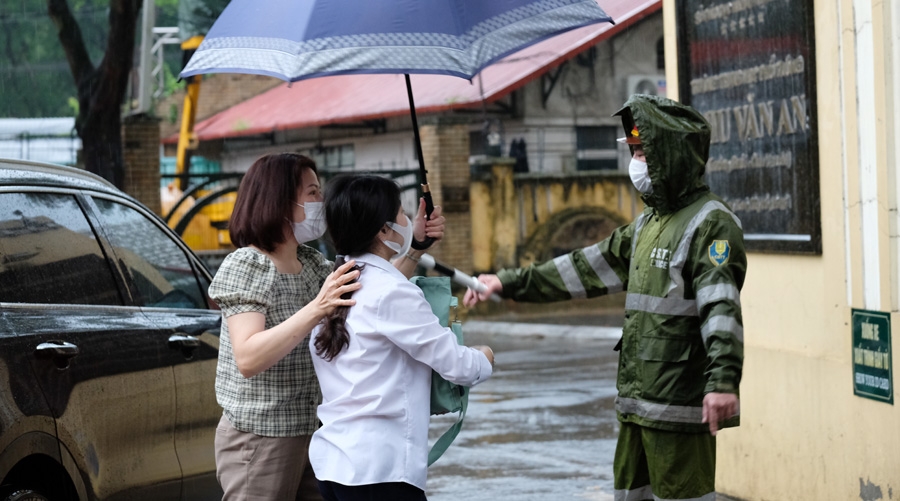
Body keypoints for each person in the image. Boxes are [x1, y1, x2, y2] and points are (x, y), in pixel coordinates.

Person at [464, 94, 746, 501]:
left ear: (669, 154)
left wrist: (722, 381)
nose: (634, 161)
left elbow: (721, 307)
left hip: (679, 407)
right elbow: (583, 268)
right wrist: (507, 283)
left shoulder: (711, 223)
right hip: (637, 402)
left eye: (641, 151)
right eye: (631, 150)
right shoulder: (648, 224)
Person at [208, 153, 446, 500]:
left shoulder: (313, 264)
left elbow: (377, 291)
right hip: (261, 436)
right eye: (312, 192)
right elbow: (248, 357)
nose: (322, 202)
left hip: (315, 433)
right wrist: (318, 307)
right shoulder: (249, 263)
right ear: (279, 200)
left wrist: (414, 248)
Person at [309, 174, 495, 501]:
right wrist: (485, 356)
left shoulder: (333, 286)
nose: (406, 221)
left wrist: (416, 245)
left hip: (334, 465)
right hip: (381, 471)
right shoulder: (393, 293)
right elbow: (456, 365)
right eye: (400, 214)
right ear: (383, 230)